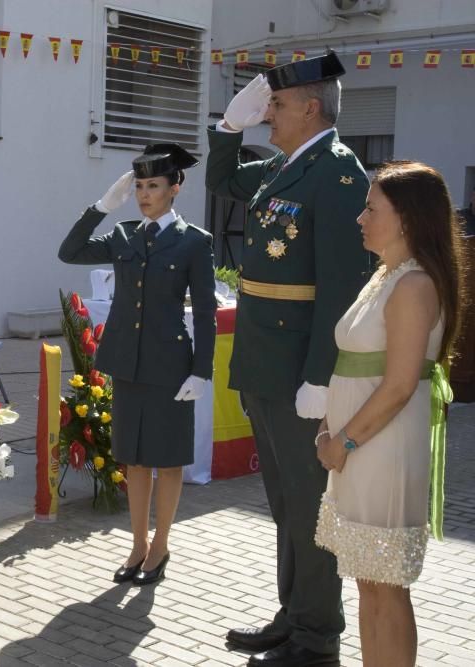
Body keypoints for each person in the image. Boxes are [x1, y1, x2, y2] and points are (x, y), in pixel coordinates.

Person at [205, 52, 371, 667]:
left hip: (300, 371)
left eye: (275, 104)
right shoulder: (285, 170)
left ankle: (318, 637)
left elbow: (342, 287)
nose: (267, 113)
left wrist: (321, 379)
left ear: (310, 106)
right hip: (264, 363)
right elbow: (222, 181)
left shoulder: (338, 175)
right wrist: (227, 129)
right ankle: (293, 613)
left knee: (309, 506)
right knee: (285, 504)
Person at [314, 161, 463, 667]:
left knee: (386, 587)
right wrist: (328, 425)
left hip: (380, 449)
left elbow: (399, 385)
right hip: (359, 446)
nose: (360, 217)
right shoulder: (387, 276)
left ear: (406, 219)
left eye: (371, 208)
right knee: (367, 582)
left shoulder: (414, 286)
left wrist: (343, 441)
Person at [59, 143, 216, 586]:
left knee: (167, 462)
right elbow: (69, 252)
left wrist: (201, 370)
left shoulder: (193, 242)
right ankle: (138, 544)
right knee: (134, 461)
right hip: (128, 365)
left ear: (174, 188)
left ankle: (161, 545)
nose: (145, 194)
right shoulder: (124, 235)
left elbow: (204, 311)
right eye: (140, 186)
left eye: (154, 186)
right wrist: (101, 207)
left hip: (170, 368)